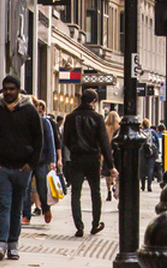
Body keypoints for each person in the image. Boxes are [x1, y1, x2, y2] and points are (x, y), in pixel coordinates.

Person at [0, 76, 43, 260]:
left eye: (12, 89)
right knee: (4, 204)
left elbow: (38, 140)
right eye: (5, 89)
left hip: (22, 169)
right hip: (1, 168)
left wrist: (30, 164)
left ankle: (13, 244)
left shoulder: (30, 112)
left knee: (16, 207)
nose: (8, 92)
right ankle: (0, 243)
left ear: (18, 90)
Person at [62, 89, 115, 236]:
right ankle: (95, 223)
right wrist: (111, 165)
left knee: (76, 193)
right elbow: (104, 143)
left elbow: (65, 139)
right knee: (95, 191)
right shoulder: (97, 118)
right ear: (93, 101)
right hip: (93, 159)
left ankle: (79, 226)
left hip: (77, 158)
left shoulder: (71, 117)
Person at [23, 99, 57, 225]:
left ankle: (46, 208)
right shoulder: (24, 122)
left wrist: (52, 160)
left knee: (42, 187)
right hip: (26, 160)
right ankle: (26, 214)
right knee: (25, 188)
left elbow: (51, 142)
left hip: (41, 161)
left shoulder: (44, 122)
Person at [104, 110, 121, 201]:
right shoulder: (118, 127)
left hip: (107, 151)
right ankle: (115, 185)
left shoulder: (105, 127)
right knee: (116, 171)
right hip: (116, 153)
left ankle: (109, 191)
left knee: (108, 173)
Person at [140, 119, 159, 192]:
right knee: (150, 168)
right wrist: (157, 151)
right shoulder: (153, 132)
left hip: (143, 151)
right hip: (152, 151)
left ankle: (142, 186)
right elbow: (157, 141)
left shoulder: (141, 132)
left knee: (143, 169)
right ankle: (149, 186)